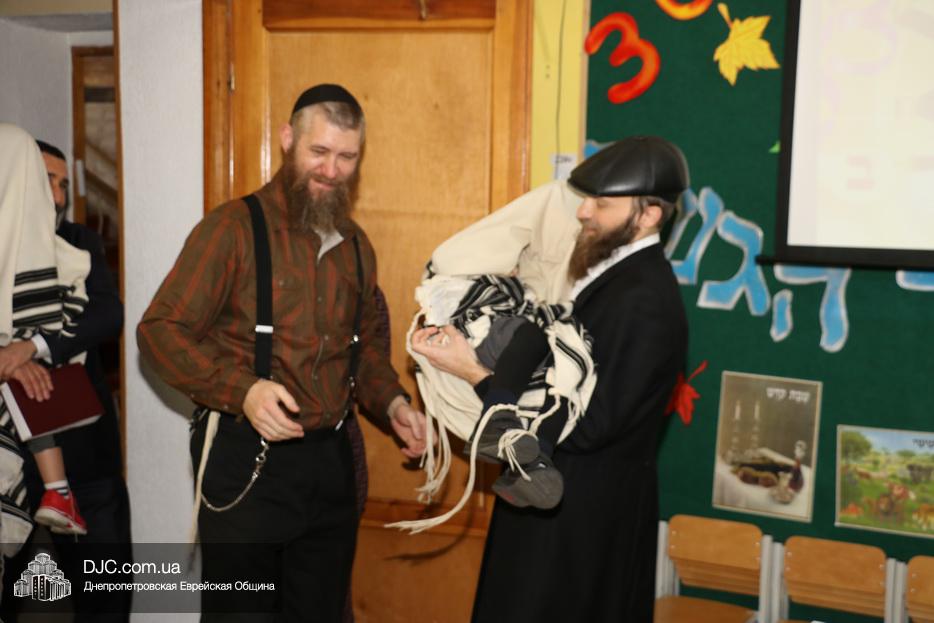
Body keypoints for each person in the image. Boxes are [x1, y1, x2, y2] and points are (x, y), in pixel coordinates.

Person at [137, 83, 426, 622]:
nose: (332, 171)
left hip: (329, 468)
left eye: (347, 157)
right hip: (246, 462)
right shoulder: (231, 228)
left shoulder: (357, 246)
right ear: (288, 139)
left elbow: (366, 353)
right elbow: (158, 331)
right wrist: (243, 391)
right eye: (319, 151)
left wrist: (395, 405)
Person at [412, 135, 690, 622]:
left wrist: (474, 373)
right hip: (558, 518)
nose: (583, 212)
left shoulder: (644, 301)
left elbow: (588, 425)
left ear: (648, 215)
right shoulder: (611, 277)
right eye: (586, 199)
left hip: (579, 534)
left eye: (601, 204)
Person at [1, 137, 133, 621]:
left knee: (107, 592)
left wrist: (33, 346)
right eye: (46, 182)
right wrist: (7, 358)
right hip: (11, 460)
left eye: (63, 185)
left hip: (86, 459)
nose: (57, 196)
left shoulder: (79, 241)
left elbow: (107, 315)